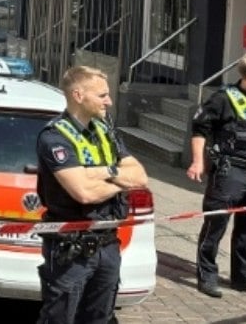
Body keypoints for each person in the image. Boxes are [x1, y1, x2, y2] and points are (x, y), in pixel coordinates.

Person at [35, 66, 148, 324]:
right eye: (102, 95)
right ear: (78, 95)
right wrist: (121, 179)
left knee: (101, 317)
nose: (109, 101)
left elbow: (140, 176)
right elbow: (83, 193)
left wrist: (101, 172)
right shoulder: (55, 137)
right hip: (71, 247)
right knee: (60, 317)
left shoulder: (105, 131)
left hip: (107, 242)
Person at [188, 51, 246, 299]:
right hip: (229, 172)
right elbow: (199, 129)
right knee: (215, 226)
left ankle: (243, 279)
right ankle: (207, 276)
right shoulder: (221, 99)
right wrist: (197, 162)